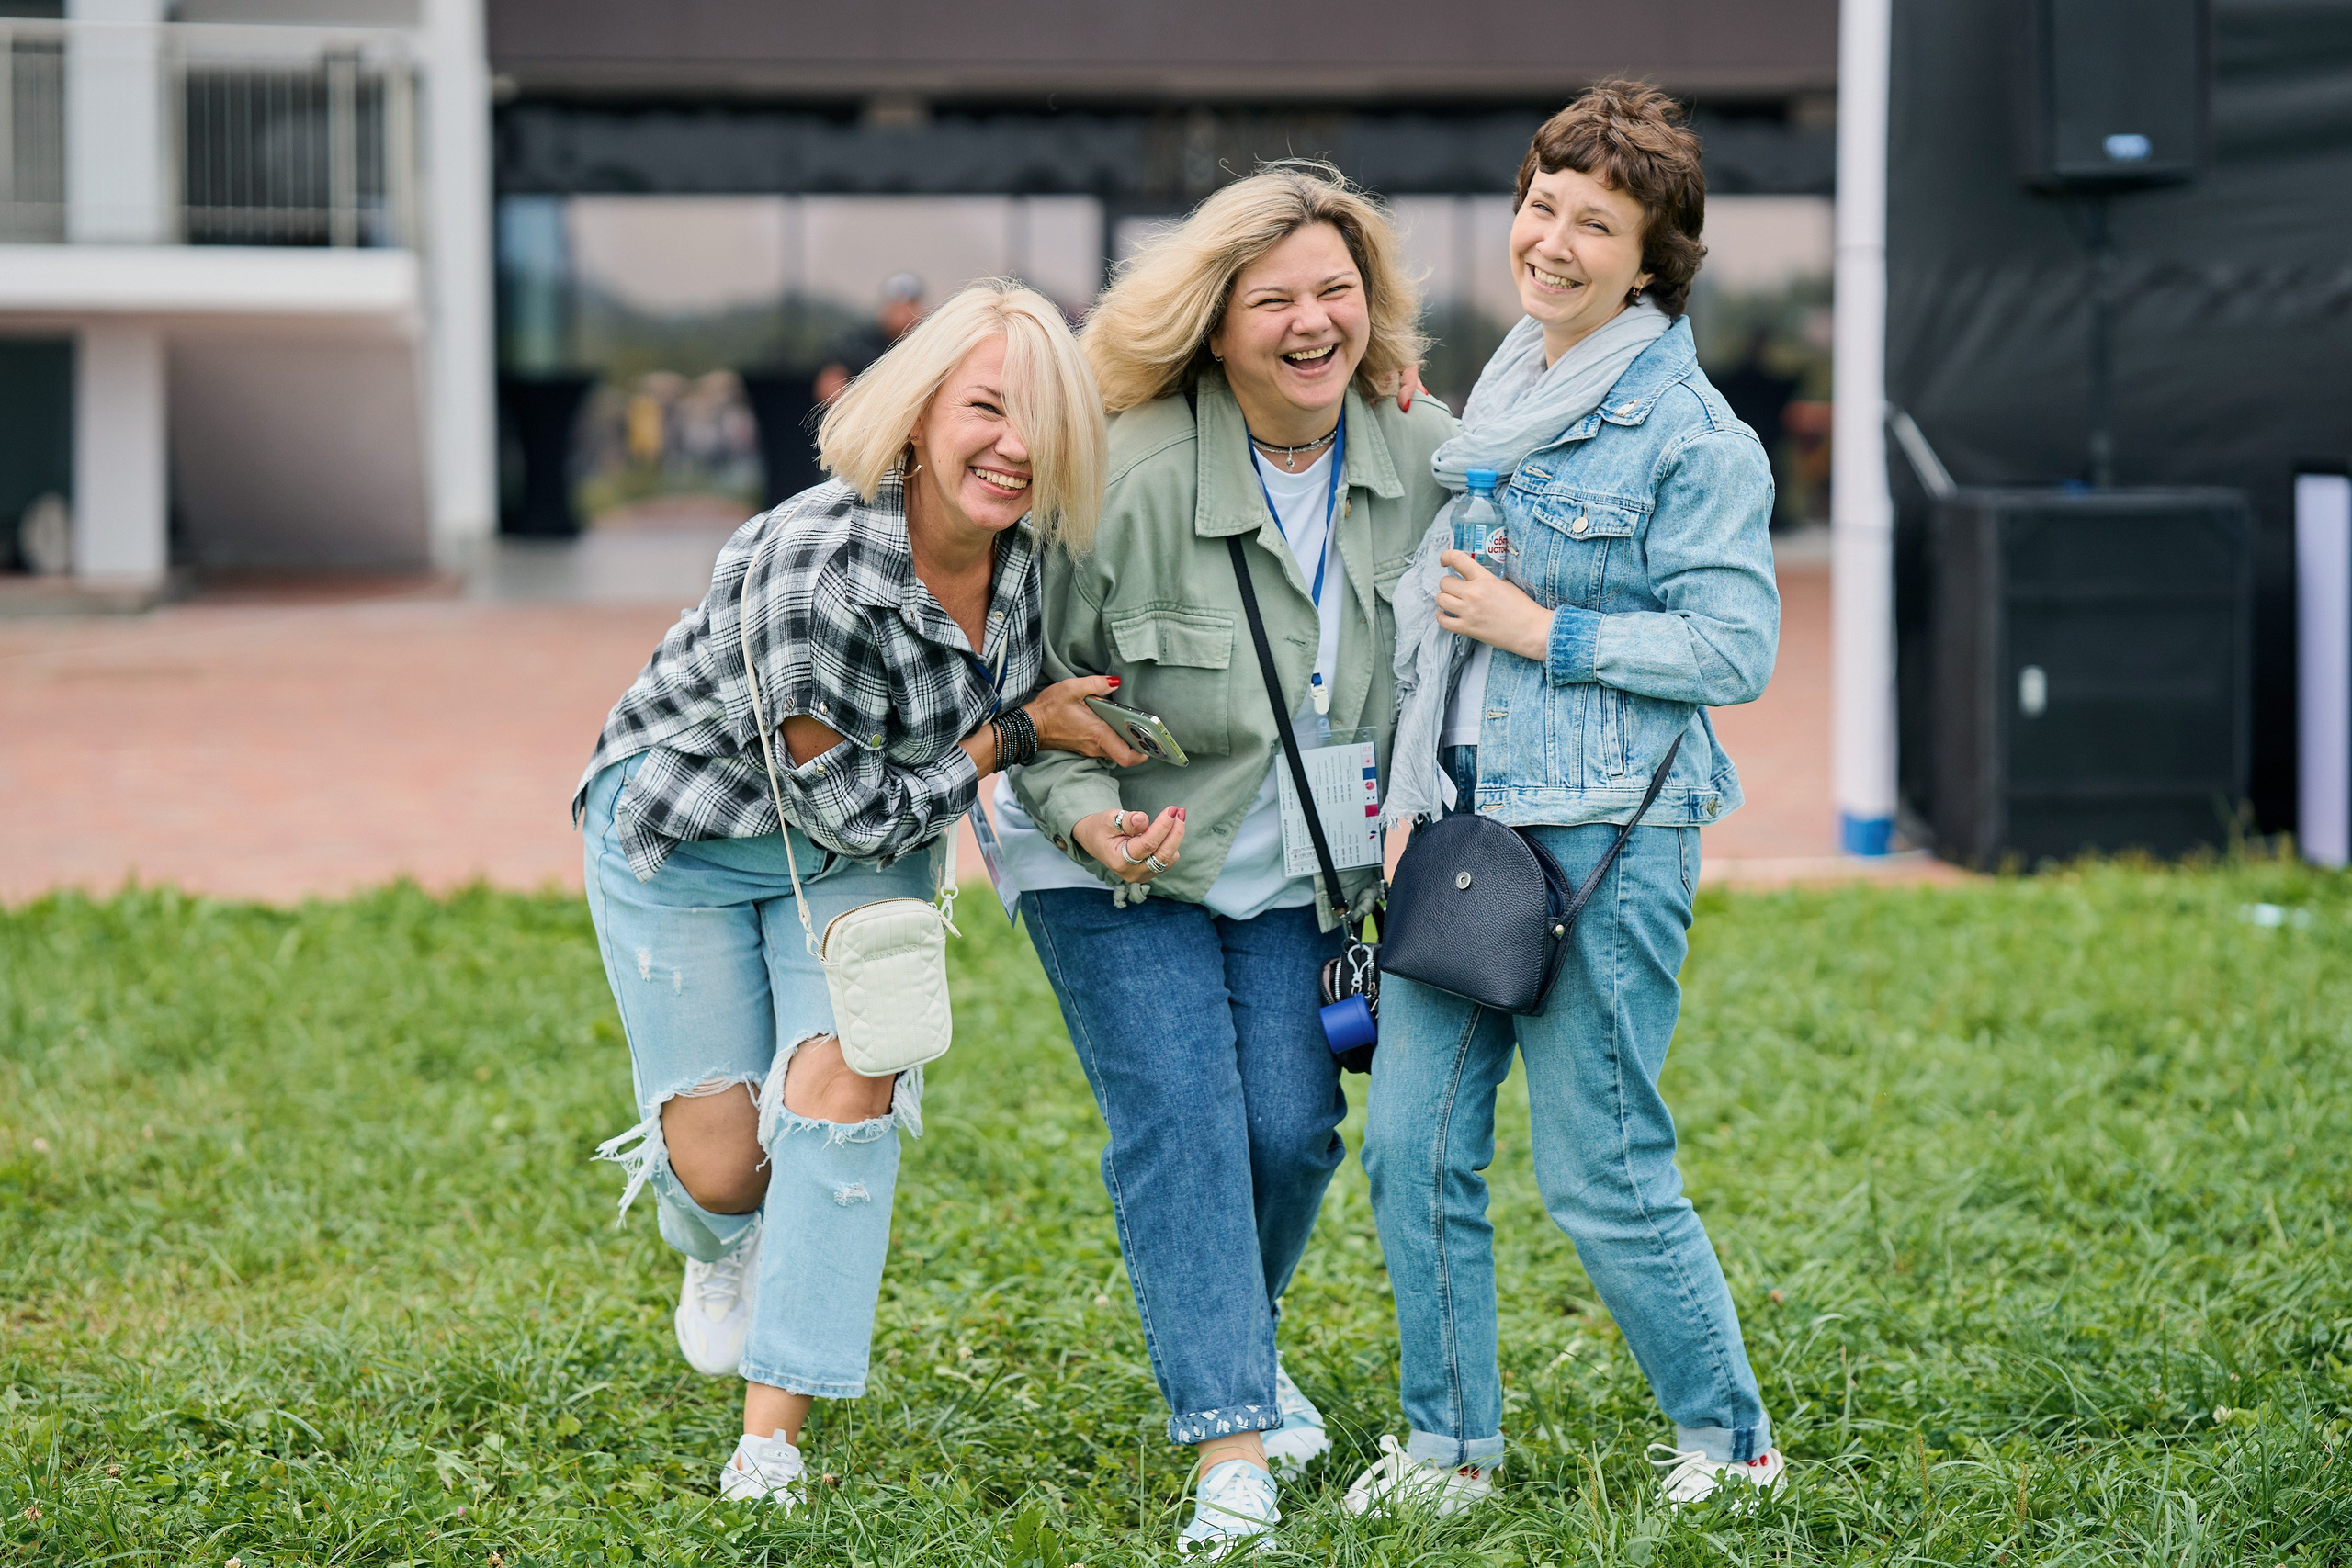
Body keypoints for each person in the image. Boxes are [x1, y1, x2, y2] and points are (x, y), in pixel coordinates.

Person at [573, 280, 1139, 1509]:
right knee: (726, 1170)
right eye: (988, 407)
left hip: (868, 829)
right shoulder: (809, 563)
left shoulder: (1037, 553)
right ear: (921, 408)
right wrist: (1010, 739)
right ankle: (723, 1246)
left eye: (1045, 417)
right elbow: (857, 809)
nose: (1017, 445)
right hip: (691, 834)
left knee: (849, 1084)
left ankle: (769, 1437)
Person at [998, 163, 1456, 1555]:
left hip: (1301, 863)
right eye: (1277, 300)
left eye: (1338, 292)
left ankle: (1227, 1348)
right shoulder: (1123, 471)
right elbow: (1026, 687)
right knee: (1183, 1124)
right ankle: (1231, 1452)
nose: (1314, 324)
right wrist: (1083, 812)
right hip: (1108, 850)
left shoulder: (1423, 451)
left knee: (1287, 1126)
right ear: (1213, 322)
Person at [1346, 82, 1786, 1517]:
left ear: (1652, 261)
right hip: (1474, 824)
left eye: (1595, 223)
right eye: (1542, 202)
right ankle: (1447, 1448)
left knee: (1601, 1167)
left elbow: (1736, 648)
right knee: (1410, 1146)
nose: (1553, 238)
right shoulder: (1516, 396)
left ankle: (1733, 1445)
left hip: (1609, 833)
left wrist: (1547, 630)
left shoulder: (1689, 430)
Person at [813, 271, 927, 407]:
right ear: (885, 307)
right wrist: (864, 409)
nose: (903, 312)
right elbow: (829, 387)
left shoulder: (928, 346)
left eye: (909, 305)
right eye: (897, 305)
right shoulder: (857, 345)